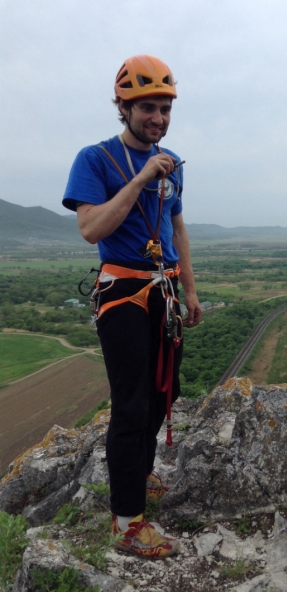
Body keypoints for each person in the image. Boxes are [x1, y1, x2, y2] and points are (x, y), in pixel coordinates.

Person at [62, 55, 202, 559]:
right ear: (123, 107)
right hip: (122, 293)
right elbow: (91, 228)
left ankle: (140, 473)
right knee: (133, 401)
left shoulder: (174, 165)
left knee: (166, 388)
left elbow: (177, 228)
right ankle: (127, 522)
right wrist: (141, 179)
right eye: (148, 107)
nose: (158, 119)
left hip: (162, 291)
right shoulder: (95, 159)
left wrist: (189, 289)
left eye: (164, 108)